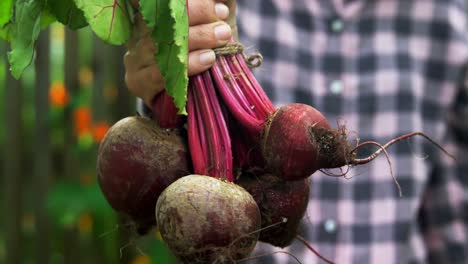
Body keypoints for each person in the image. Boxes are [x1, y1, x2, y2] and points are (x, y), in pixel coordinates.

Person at [124, 0, 468, 263]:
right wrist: (163, 79)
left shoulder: (452, 17)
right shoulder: (220, 7)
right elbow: (175, 151)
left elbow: (452, 214)